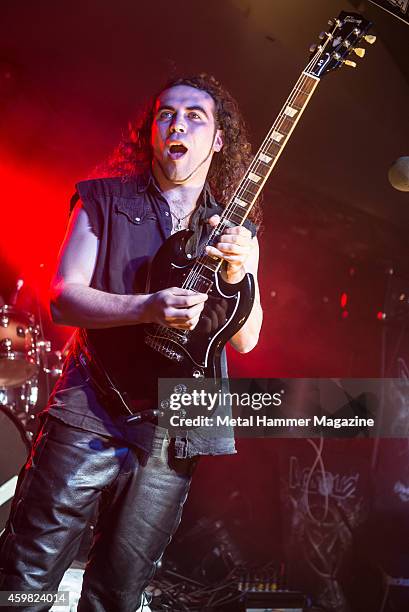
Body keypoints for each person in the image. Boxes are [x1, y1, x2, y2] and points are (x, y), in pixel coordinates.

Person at [0, 74, 263, 611]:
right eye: (166, 114)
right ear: (151, 132)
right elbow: (62, 298)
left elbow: (248, 342)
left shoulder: (237, 228)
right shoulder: (104, 200)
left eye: (195, 116)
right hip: (94, 401)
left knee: (121, 591)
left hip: (181, 415)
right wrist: (146, 307)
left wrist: (245, 272)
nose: (178, 124)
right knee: (26, 577)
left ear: (217, 140)